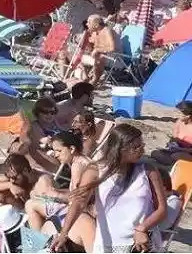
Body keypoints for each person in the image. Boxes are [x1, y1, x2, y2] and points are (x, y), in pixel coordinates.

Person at [54, 124, 167, 253]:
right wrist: (64, 233)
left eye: (142, 145)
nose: (141, 150)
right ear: (120, 149)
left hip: (143, 243)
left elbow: (162, 210)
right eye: (136, 147)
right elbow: (79, 203)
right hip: (109, 244)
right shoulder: (96, 170)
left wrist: (142, 228)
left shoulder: (148, 171)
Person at [25, 130, 93, 235]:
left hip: (82, 214)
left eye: (59, 151)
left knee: (30, 205)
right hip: (85, 210)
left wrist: (52, 195)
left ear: (71, 149)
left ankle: (38, 244)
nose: (55, 155)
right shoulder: (83, 160)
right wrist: (54, 192)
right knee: (36, 198)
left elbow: (77, 201)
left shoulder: (78, 165)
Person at [153, 100, 192, 166]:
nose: (177, 115)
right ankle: (177, 163)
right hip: (178, 149)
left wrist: (181, 149)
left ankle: (177, 164)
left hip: (187, 152)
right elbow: (174, 138)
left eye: (180, 113)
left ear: (188, 115)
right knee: (155, 153)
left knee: (176, 156)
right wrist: (171, 145)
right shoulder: (179, 122)